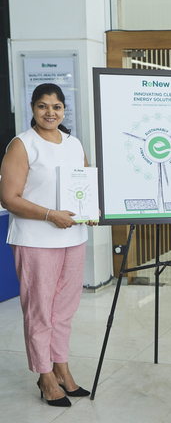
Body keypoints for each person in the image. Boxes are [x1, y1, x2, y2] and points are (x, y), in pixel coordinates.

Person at [0, 83, 98, 407]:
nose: (50, 112)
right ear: (32, 108)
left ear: (64, 110)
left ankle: (62, 368)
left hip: (73, 238)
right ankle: (44, 375)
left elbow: (83, 185)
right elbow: (9, 198)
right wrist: (49, 215)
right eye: (43, 106)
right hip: (36, 240)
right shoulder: (22, 145)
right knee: (40, 311)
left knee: (64, 311)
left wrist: (91, 210)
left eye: (56, 106)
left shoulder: (74, 143)